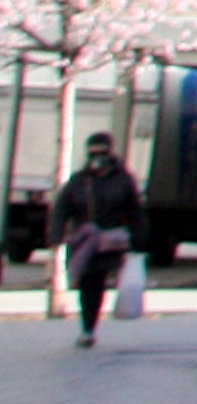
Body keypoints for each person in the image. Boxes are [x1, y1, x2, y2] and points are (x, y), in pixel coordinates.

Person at [55, 132, 141, 345]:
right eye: (92, 152)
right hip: (84, 239)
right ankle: (87, 326)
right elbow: (62, 208)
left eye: (101, 152)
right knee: (85, 282)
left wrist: (139, 241)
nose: (96, 157)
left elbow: (136, 212)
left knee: (97, 281)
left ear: (110, 153)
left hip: (109, 240)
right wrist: (56, 234)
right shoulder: (79, 180)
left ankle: (89, 328)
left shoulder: (123, 179)